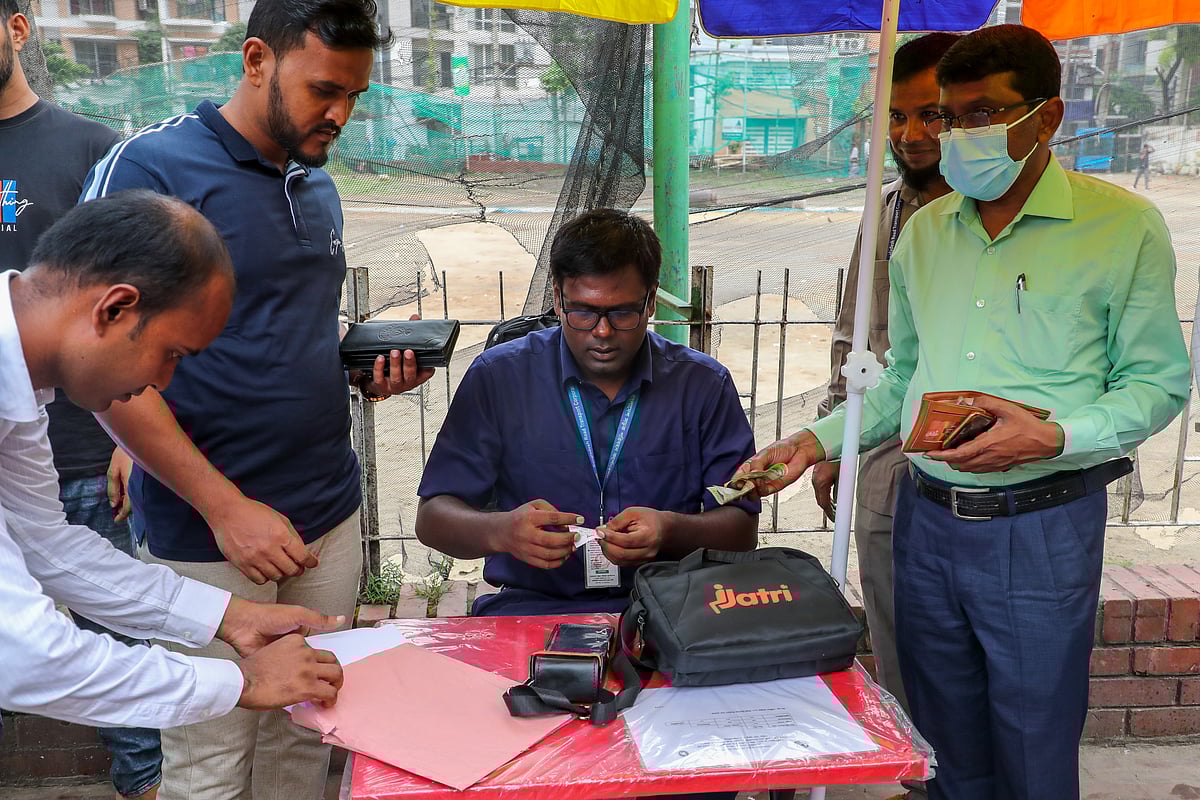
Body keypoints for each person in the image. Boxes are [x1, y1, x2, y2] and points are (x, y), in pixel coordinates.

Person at [739, 25, 1189, 800]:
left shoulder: (1120, 227)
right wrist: (812, 442)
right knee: (941, 742)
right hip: (926, 523)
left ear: (1044, 119)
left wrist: (1053, 434)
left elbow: (1157, 382)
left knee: (1032, 742)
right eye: (952, 116)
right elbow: (901, 379)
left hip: (1040, 525)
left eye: (983, 114)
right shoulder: (922, 236)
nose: (956, 134)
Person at [78, 1, 432, 797]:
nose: (339, 114)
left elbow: (280, 335)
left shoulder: (317, 184)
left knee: (305, 737)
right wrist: (224, 506)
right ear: (256, 60)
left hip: (325, 514)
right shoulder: (152, 170)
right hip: (207, 530)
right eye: (323, 90)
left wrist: (361, 369)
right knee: (210, 756)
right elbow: (100, 363)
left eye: (354, 97)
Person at [1, 190, 346, 739]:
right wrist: (241, 683)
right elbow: (22, 654)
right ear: (114, 309)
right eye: (172, 355)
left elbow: (45, 546)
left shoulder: (19, 385)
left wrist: (230, 616)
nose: (162, 383)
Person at [415, 208, 759, 616]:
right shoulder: (500, 377)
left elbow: (741, 529)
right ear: (558, 300)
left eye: (622, 313)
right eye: (583, 311)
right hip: (530, 607)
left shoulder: (702, 385)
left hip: (668, 612)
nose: (602, 332)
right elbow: (433, 518)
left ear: (651, 301)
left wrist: (670, 530)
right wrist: (503, 532)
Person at [0, 4, 165, 797]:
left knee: (120, 657)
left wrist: (131, 443)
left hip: (71, 451)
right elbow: (28, 657)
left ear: (19, 28)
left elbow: (137, 313)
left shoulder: (90, 150)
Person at [812, 32, 959, 800]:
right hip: (878, 462)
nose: (910, 136)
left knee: (963, 646)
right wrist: (831, 436)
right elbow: (854, 337)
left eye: (931, 116)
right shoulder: (887, 207)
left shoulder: (983, 216)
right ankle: (922, 781)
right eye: (897, 118)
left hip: (971, 471)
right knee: (897, 634)